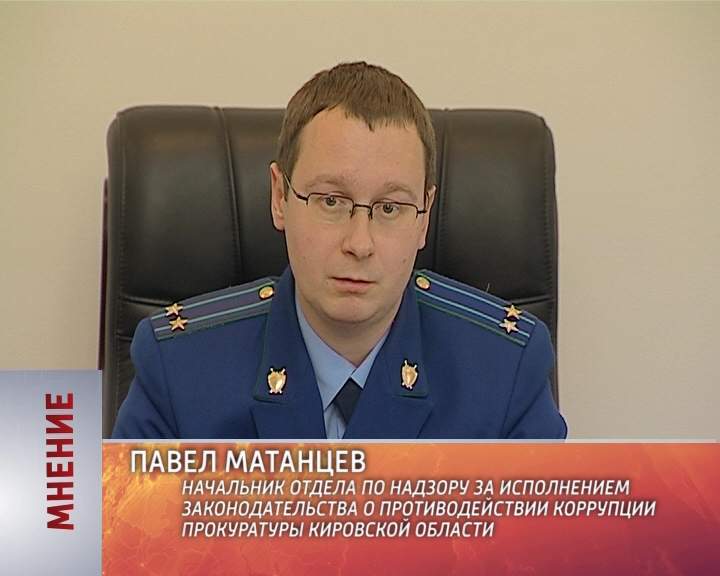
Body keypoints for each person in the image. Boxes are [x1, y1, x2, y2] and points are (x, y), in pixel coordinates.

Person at [112, 62, 566, 440]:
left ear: (424, 216)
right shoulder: (179, 369)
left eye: (390, 208)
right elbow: (118, 523)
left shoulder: (504, 371)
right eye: (331, 201)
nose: (359, 244)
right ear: (279, 197)